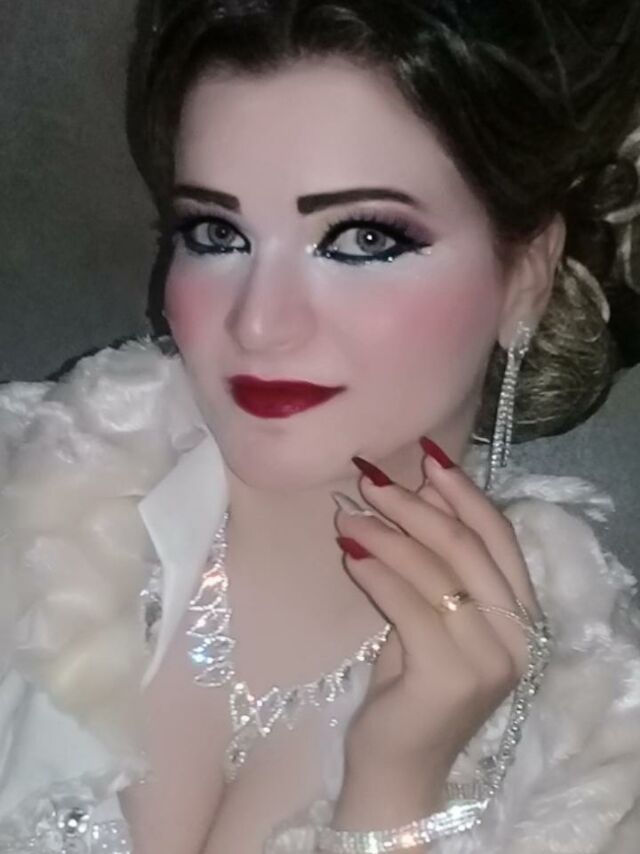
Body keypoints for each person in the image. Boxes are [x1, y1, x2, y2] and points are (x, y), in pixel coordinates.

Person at [1, 1, 640, 851]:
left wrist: (396, 804)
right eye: (216, 233)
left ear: (527, 274)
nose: (260, 323)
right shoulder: (26, 516)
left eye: (363, 239)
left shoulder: (601, 745)